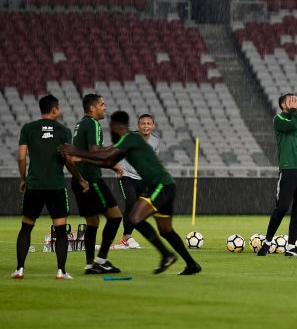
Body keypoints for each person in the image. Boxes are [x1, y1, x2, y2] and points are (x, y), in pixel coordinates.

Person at [60, 111, 201, 275]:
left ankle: (167, 255)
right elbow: (108, 160)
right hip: (165, 185)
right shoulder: (128, 140)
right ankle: (192, 265)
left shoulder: (130, 138)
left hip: (160, 185)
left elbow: (105, 154)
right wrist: (83, 158)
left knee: (134, 217)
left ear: (115, 126)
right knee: (165, 230)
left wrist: (77, 152)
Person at [12, 95, 89, 280]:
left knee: (26, 228)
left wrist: (23, 178)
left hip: (34, 186)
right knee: (61, 231)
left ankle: (20, 270)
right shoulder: (63, 131)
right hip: (56, 186)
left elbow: (21, 157)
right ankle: (61, 271)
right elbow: (69, 161)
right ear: (55, 109)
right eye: (59, 107)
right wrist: (79, 178)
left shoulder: (28, 128)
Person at [257, 94, 297, 256]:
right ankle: (267, 243)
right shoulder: (279, 119)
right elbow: (292, 125)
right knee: (282, 207)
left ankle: (291, 246)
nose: (296, 102)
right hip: (288, 169)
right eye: (291, 101)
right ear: (283, 105)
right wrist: (294, 112)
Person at [71, 94, 123, 274]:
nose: (105, 107)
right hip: (91, 179)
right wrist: (112, 161)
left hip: (79, 179)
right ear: (92, 108)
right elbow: (94, 151)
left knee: (92, 222)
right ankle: (101, 260)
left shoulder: (80, 123)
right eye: (102, 104)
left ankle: (90, 264)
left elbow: (85, 153)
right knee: (115, 217)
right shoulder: (93, 123)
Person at [117, 114, 160, 248]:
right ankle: (128, 236)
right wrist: (117, 166)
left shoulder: (155, 141)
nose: (146, 126)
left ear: (153, 126)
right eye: (143, 123)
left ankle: (125, 238)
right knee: (130, 204)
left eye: (148, 124)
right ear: (138, 125)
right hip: (126, 176)